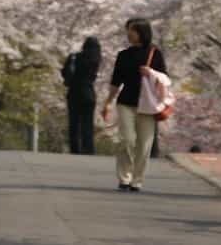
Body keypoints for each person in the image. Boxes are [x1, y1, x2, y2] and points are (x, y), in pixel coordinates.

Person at [102, 18, 167, 192]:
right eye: (128, 30)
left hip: (148, 106)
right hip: (126, 103)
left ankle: (137, 180)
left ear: (142, 32)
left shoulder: (155, 53)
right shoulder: (123, 55)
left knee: (144, 145)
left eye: (133, 30)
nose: (129, 33)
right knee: (127, 139)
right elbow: (116, 82)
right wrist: (107, 103)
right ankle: (124, 177)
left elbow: (164, 80)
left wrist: (151, 72)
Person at [62, 37, 101, 155]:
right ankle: (88, 149)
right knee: (88, 124)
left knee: (74, 123)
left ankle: (75, 149)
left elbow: (64, 73)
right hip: (89, 94)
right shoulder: (96, 59)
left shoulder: (74, 57)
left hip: (74, 92)